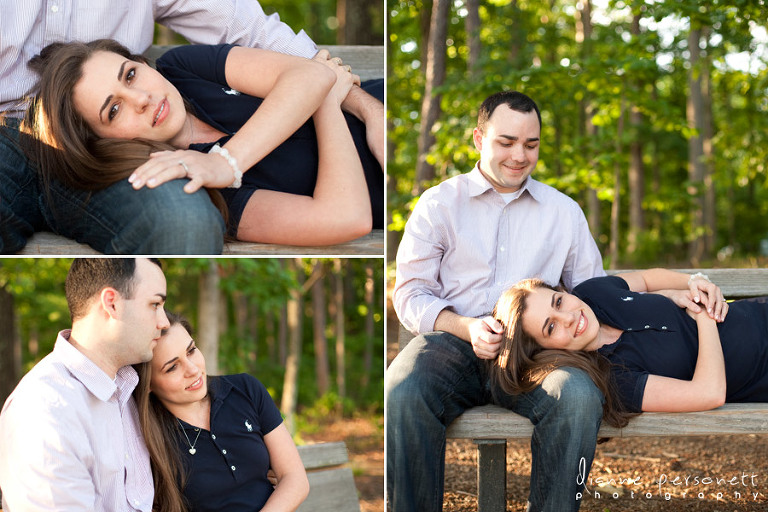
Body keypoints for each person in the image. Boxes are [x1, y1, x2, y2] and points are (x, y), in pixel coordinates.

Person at [0, 0, 384, 254]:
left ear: (144, 63)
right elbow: (347, 217)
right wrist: (326, 103)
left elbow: (301, 68)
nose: (142, 99)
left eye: (131, 75)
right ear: (104, 141)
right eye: (114, 110)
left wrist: (367, 110)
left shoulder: (183, 69)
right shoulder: (200, 182)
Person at [387, 91, 606, 512]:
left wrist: (675, 289)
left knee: (577, 395)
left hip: (534, 354)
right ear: (478, 139)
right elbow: (411, 292)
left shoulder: (563, 212)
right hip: (451, 344)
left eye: (531, 144)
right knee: (403, 387)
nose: (519, 156)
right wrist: (464, 326)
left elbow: (592, 292)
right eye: (506, 142)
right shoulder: (439, 204)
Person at [490, 269, 767, 427]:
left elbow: (646, 280)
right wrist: (704, 316)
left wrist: (694, 284)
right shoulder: (611, 380)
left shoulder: (593, 293)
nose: (570, 317)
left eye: (559, 302)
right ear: (546, 351)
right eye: (551, 327)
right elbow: (709, 393)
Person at [0, 258, 170, 510]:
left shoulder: (127, 387)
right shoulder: (45, 411)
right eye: (155, 304)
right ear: (112, 303)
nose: (164, 322)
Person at [133, 312, 309, 512]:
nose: (192, 369)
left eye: (191, 351)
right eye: (172, 367)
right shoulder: (146, 438)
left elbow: (294, 477)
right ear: (148, 384)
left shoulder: (245, 389)